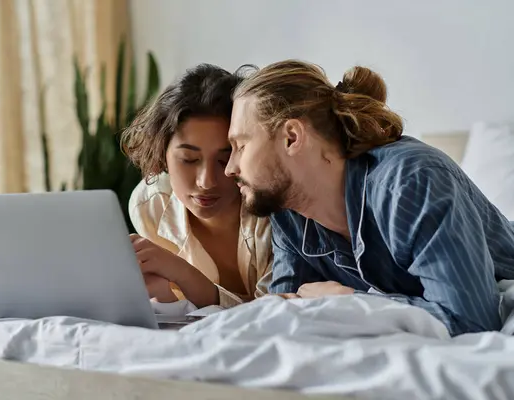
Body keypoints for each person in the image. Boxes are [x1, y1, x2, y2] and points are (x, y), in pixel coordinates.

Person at [223, 59, 514, 336]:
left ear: (292, 137)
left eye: (241, 145)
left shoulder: (410, 181)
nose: (229, 168)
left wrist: (353, 301)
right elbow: (287, 310)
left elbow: (471, 320)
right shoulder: (288, 213)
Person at [121, 63, 272, 309]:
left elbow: (275, 313)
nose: (206, 181)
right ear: (162, 155)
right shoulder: (151, 204)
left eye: (224, 159)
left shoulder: (273, 208)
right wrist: (163, 294)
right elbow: (183, 312)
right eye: (189, 160)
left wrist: (183, 274)